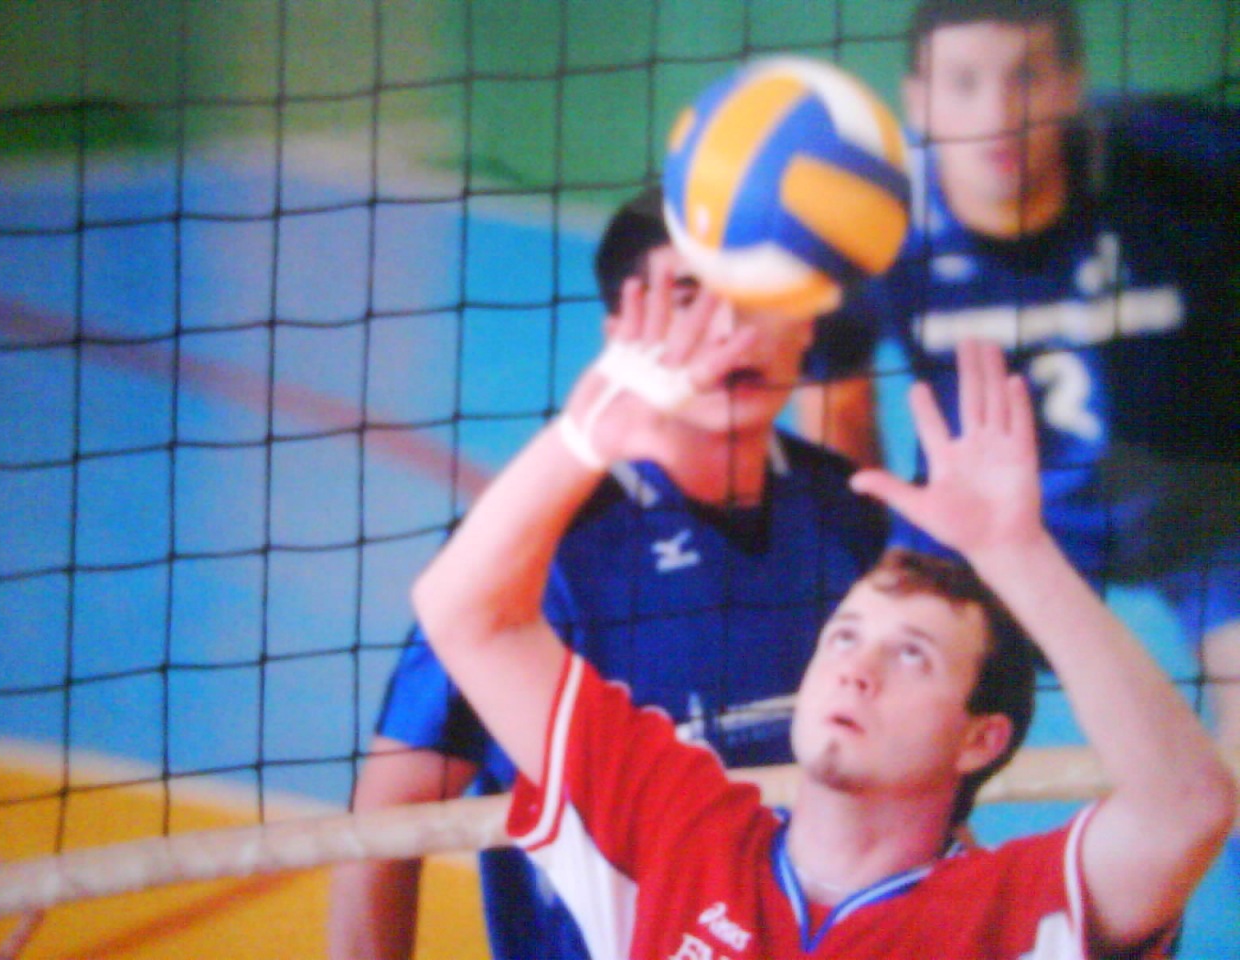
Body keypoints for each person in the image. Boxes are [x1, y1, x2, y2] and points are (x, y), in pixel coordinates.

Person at [412, 294, 1236, 959]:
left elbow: (1189, 806)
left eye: (911, 655)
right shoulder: (676, 828)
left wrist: (1018, 554)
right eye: (844, 634)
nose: (856, 668)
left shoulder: (1017, 910)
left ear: (980, 739)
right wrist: (583, 438)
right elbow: (463, 615)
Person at [326, 187, 889, 959]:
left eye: (758, 294)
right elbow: (383, 827)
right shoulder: (534, 553)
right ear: (622, 333)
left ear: (805, 322)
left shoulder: (851, 513)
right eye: (688, 297)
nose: (730, 329)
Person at [798, 0, 1240, 764]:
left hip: (1200, 501)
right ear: (918, 101)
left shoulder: (1177, 159)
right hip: (986, 519)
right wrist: (878, 560)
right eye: (964, 82)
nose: (997, 115)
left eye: (1026, 77)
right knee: (893, 723)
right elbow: (838, 400)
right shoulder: (872, 216)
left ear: (1072, 84)